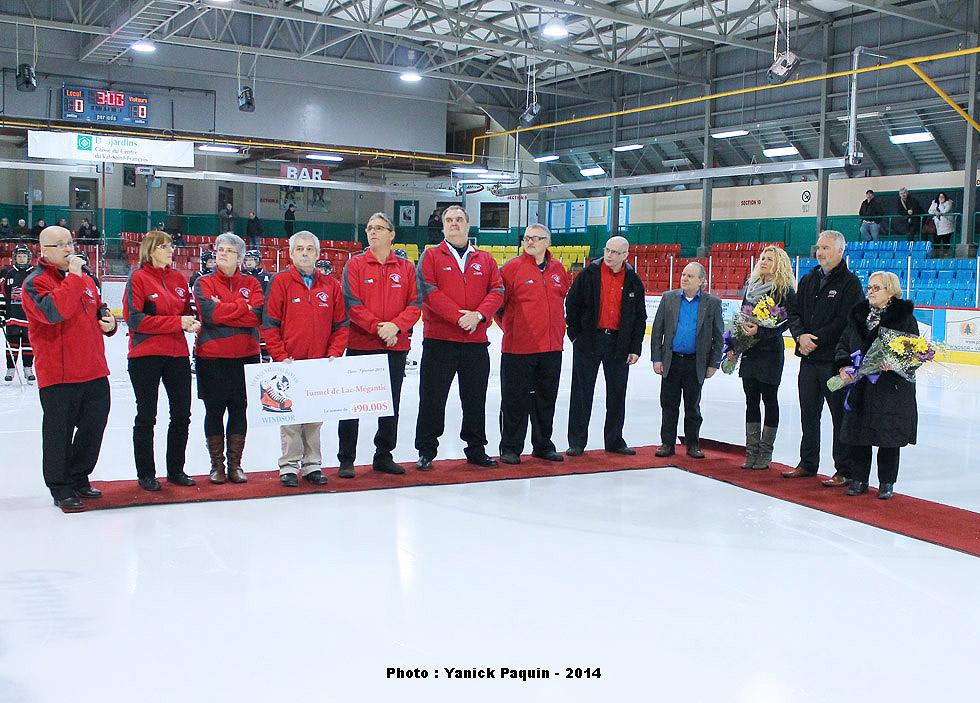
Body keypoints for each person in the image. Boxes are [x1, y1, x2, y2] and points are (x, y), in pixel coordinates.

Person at [22, 226, 117, 511]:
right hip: (59, 373)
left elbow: (98, 308)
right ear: (45, 251)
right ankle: (60, 486)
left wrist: (109, 323)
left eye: (70, 242)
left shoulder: (86, 280)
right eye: (60, 244)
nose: (68, 249)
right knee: (58, 434)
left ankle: (79, 475)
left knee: (94, 426)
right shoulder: (35, 282)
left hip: (94, 369)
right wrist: (74, 278)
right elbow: (55, 312)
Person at [414, 205, 503, 470]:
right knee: (432, 398)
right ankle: (426, 450)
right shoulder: (431, 257)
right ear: (443, 227)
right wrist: (458, 316)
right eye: (449, 220)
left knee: (475, 399)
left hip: (475, 343)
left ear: (468, 225)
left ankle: (476, 448)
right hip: (439, 342)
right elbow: (428, 292)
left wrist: (477, 316)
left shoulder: (485, 259)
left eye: (459, 219)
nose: (454, 223)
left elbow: (497, 290)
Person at [338, 213, 421, 477]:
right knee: (352, 405)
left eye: (378, 228)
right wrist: (379, 328)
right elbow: (352, 303)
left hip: (395, 345)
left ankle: (383, 455)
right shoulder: (355, 265)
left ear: (391, 234)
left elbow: (415, 305)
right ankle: (346, 458)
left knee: (390, 404)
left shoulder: (406, 268)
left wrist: (395, 327)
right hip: (362, 344)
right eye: (369, 228)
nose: (372, 232)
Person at [264, 231, 347, 487]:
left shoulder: (331, 286)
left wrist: (334, 353)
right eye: (299, 248)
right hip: (288, 363)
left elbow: (341, 325)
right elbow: (269, 324)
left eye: (309, 249)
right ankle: (288, 466)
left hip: (319, 363)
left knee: (314, 418)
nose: (304, 253)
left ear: (318, 254)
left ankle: (312, 465)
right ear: (290, 253)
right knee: (289, 418)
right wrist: (279, 355)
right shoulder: (280, 282)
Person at [784, 230, 864, 485]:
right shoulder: (808, 279)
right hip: (808, 362)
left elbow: (845, 322)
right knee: (808, 414)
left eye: (826, 248)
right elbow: (793, 312)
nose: (820, 252)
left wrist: (812, 339)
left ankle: (844, 469)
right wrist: (800, 336)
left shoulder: (850, 284)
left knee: (839, 416)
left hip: (833, 363)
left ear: (840, 251)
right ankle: (808, 463)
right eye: (818, 247)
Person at [123, 230, 200, 491]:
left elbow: (186, 311)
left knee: (182, 414)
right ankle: (146, 473)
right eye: (165, 246)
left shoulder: (179, 278)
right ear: (151, 249)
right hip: (145, 355)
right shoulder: (138, 277)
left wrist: (189, 322)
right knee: (147, 415)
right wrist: (177, 322)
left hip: (177, 354)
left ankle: (176, 469)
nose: (171, 251)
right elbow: (136, 320)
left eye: (171, 246)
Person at [834, 272, 918, 499]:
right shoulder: (858, 315)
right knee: (859, 434)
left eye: (876, 288)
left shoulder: (904, 318)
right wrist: (843, 366)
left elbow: (914, 355)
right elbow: (842, 344)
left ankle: (886, 482)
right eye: (869, 287)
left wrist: (894, 363)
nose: (869, 291)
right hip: (861, 387)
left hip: (891, 390)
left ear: (890, 291)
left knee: (888, 437)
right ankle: (859, 479)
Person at [565, 235, 646, 456]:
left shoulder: (633, 280)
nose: (609, 255)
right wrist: (575, 336)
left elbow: (640, 317)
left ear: (625, 255)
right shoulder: (588, 274)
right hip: (588, 341)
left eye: (615, 252)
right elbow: (572, 304)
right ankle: (577, 442)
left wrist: (634, 348)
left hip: (618, 344)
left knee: (617, 394)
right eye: (607, 250)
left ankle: (614, 441)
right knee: (581, 393)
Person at [193, 233, 264, 484]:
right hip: (211, 357)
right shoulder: (203, 283)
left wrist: (225, 307)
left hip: (246, 356)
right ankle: (217, 466)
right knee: (213, 411)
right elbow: (210, 315)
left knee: (239, 410)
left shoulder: (254, 284)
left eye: (228, 250)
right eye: (219, 249)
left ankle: (235, 465)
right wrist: (242, 307)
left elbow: (257, 316)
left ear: (240, 257)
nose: (222, 253)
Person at [496, 224, 570, 464]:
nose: (530, 242)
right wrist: (514, 328)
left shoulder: (559, 269)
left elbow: (561, 301)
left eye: (536, 238)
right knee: (514, 400)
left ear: (547, 242)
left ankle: (543, 445)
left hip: (551, 348)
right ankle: (510, 447)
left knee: (545, 399)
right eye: (526, 238)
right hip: (518, 349)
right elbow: (498, 305)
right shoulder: (511, 269)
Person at [731, 246, 797, 469]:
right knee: (751, 400)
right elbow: (743, 314)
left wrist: (760, 332)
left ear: (779, 264)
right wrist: (738, 340)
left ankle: (765, 452)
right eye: (763, 258)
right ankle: (751, 450)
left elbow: (783, 325)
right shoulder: (751, 287)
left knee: (769, 400)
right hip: (750, 350)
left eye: (770, 259)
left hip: (770, 352)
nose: (764, 261)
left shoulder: (785, 291)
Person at [650, 262, 723, 458]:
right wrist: (657, 358)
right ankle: (667, 443)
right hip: (671, 361)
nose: (684, 278)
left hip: (695, 362)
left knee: (692, 406)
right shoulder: (669, 298)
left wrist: (713, 363)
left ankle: (692, 444)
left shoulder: (712, 303)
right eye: (683, 274)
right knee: (668, 404)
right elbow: (657, 331)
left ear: (701, 281)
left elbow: (718, 336)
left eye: (690, 276)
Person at [1, 244, 36, 383]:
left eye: (24, 256)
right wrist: (1, 312)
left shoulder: (35, 272)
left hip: (30, 316)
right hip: (12, 314)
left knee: (29, 342)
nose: (22, 259)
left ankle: (28, 368)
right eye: (19, 256)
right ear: (15, 258)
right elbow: (2, 293)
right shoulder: (7, 272)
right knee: (12, 342)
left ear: (28, 258)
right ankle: (11, 369)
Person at [242, 249, 274, 362]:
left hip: (262, 313)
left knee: (264, 341)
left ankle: (266, 362)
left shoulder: (267, 276)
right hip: (245, 313)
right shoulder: (241, 275)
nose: (249, 262)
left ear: (258, 261)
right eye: (247, 260)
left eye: (252, 260)